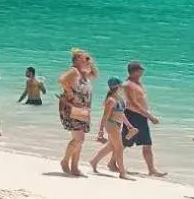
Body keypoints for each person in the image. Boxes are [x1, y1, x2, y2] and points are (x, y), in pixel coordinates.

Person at [122, 60, 166, 177]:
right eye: (140, 70)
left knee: (147, 143)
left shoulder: (137, 83)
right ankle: (110, 163)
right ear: (134, 72)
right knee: (124, 142)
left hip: (141, 116)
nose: (142, 72)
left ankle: (151, 170)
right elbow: (133, 104)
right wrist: (150, 116)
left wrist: (146, 114)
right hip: (133, 116)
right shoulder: (128, 85)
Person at [58, 48, 98, 176]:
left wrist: (90, 63)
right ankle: (65, 161)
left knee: (80, 139)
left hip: (83, 110)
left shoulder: (84, 74)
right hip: (72, 108)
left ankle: (74, 167)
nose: (88, 61)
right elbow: (61, 80)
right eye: (85, 58)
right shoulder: (74, 71)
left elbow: (95, 74)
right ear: (77, 60)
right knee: (78, 138)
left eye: (88, 58)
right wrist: (70, 94)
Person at [90, 78, 137, 178]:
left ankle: (94, 161)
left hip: (117, 125)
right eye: (121, 86)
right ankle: (122, 173)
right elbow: (105, 116)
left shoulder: (119, 99)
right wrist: (101, 130)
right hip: (111, 124)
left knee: (110, 146)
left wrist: (129, 126)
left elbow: (121, 114)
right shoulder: (111, 100)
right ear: (117, 87)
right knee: (119, 148)